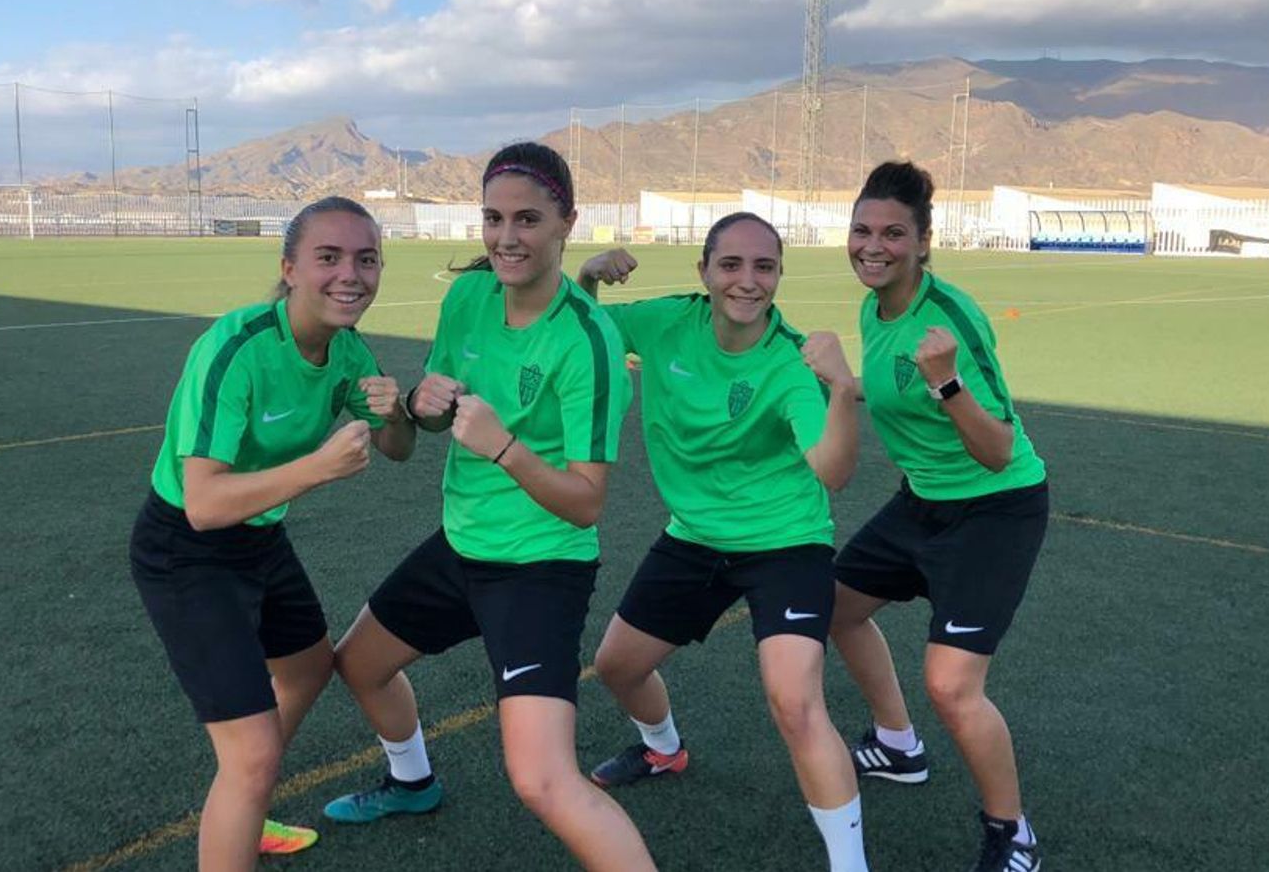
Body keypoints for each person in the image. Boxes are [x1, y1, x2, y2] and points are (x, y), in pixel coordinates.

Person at [322, 142, 656, 870]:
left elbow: (587, 503)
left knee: (541, 780)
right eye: (494, 218)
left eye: (529, 219)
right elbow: (435, 416)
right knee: (359, 665)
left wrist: (504, 448)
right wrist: (424, 405)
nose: (507, 236)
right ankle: (411, 780)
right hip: (461, 545)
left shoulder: (590, 343)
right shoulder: (468, 296)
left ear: (568, 222)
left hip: (539, 567)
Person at [127, 196, 417, 871]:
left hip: (259, 539)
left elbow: (397, 448)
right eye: (329, 257)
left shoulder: (348, 352)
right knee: (253, 756)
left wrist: (395, 412)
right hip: (186, 549)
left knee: (310, 666)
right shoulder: (237, 347)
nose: (351, 274)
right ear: (289, 268)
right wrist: (314, 469)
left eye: (366, 259)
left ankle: (243, 795)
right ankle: (246, 789)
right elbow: (203, 502)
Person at [575, 214, 870, 871]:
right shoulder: (664, 323)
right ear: (704, 273)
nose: (747, 280)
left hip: (786, 543)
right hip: (695, 538)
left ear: (779, 276)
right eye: (731, 265)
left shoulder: (790, 364)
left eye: (764, 267)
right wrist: (588, 280)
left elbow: (833, 470)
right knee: (618, 667)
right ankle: (662, 749)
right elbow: (581, 333)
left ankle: (851, 864)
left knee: (795, 703)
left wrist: (844, 390)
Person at [827, 161, 1049, 872]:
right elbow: (894, 389)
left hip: (994, 510)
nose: (873, 245)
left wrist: (948, 382)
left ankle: (1012, 834)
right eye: (862, 230)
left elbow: (996, 448)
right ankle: (898, 746)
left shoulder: (949, 318)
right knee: (832, 606)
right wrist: (836, 383)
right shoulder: (875, 307)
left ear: (924, 242)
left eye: (893, 233)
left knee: (953, 686)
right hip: (920, 502)